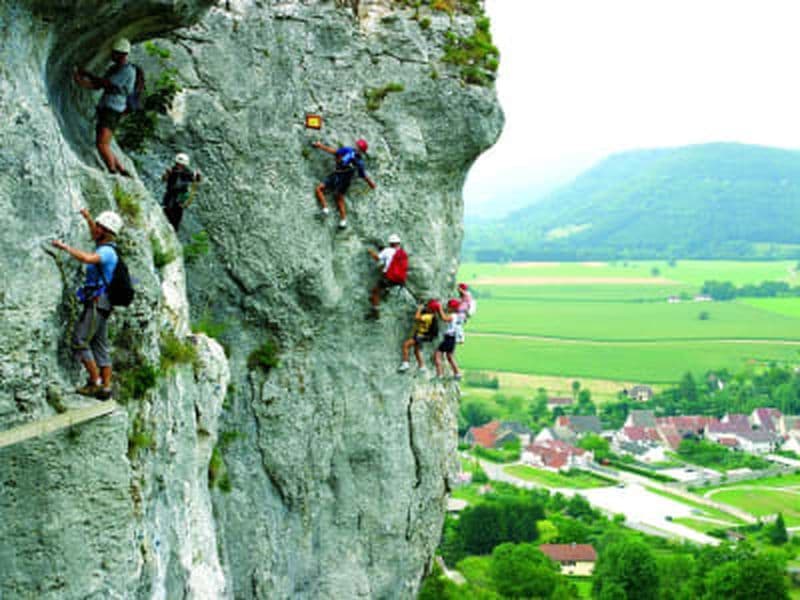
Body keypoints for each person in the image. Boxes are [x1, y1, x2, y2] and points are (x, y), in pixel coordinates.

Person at [52, 209, 124, 399]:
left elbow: (87, 258)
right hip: (103, 303)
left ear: (106, 231)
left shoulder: (107, 252)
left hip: (97, 302)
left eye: (99, 227)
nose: (95, 230)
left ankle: (95, 382)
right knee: (99, 344)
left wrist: (64, 247)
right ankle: (106, 387)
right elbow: (95, 233)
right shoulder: (106, 245)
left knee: (79, 340)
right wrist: (88, 218)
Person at [73, 38, 136, 176]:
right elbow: (98, 86)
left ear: (122, 54)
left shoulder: (128, 71)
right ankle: (121, 169)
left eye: (115, 53)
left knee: (102, 144)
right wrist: (81, 82)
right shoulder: (114, 68)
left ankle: (112, 172)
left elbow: (107, 84)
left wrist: (87, 74)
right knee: (105, 142)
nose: (112, 55)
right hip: (107, 107)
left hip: (113, 110)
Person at [313, 138, 377, 229]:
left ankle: (326, 210)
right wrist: (371, 184)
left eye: (358, 146)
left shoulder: (349, 151)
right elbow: (363, 175)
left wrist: (320, 145)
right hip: (344, 180)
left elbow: (334, 152)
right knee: (338, 197)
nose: (356, 147)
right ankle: (341, 219)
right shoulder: (359, 161)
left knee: (321, 189)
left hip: (337, 176)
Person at [367, 233, 407, 319]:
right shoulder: (402, 253)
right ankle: (387, 289)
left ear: (390, 243)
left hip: (389, 278)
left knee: (374, 292)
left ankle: (375, 311)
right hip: (399, 280)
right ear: (398, 243)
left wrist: (371, 252)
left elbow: (377, 258)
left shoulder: (387, 250)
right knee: (383, 271)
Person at [161, 153, 202, 232]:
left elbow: (196, 181)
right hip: (170, 193)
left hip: (181, 195)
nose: (178, 166)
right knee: (167, 209)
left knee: (177, 213)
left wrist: (198, 177)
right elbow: (164, 179)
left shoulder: (188, 173)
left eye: (181, 165)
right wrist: (167, 174)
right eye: (177, 164)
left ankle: (174, 229)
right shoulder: (172, 170)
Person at [398, 299, 440, 373]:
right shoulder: (432, 316)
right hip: (422, 335)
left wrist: (419, 308)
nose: (426, 307)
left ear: (430, 309)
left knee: (406, 345)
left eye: (428, 307)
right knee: (416, 351)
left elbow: (416, 317)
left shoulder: (428, 316)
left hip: (420, 335)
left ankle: (405, 363)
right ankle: (422, 366)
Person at [433, 299, 463, 381]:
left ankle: (440, 375)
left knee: (437, 355)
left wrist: (439, 308)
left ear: (453, 308)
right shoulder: (459, 316)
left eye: (449, 307)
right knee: (450, 357)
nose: (447, 308)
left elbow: (444, 318)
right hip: (453, 339)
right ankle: (457, 374)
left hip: (448, 338)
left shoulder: (453, 316)